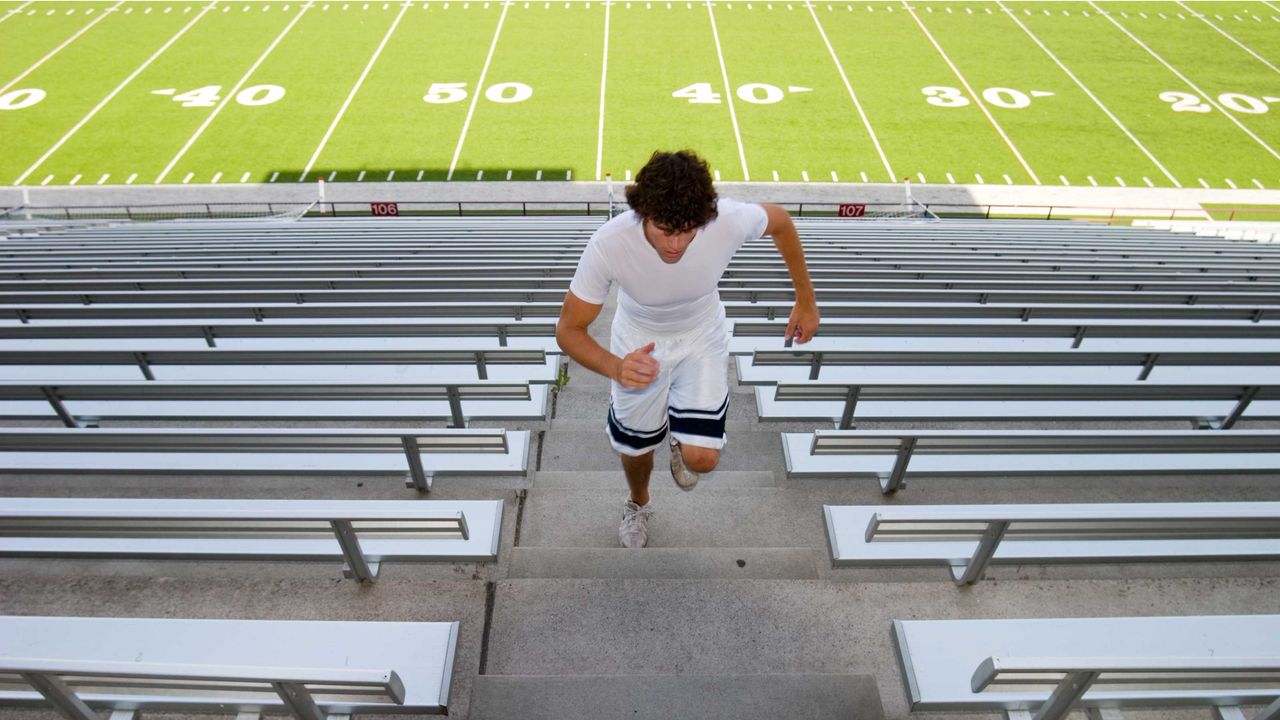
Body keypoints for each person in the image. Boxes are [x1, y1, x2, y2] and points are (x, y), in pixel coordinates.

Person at [555, 150, 819, 548]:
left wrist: (806, 299)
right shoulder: (609, 243)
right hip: (638, 341)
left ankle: (682, 434)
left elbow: (780, 221)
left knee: (703, 460)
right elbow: (569, 329)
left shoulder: (725, 220)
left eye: (688, 230)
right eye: (664, 229)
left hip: (701, 335)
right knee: (635, 445)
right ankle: (638, 501)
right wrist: (615, 366)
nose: (676, 243)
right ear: (642, 213)